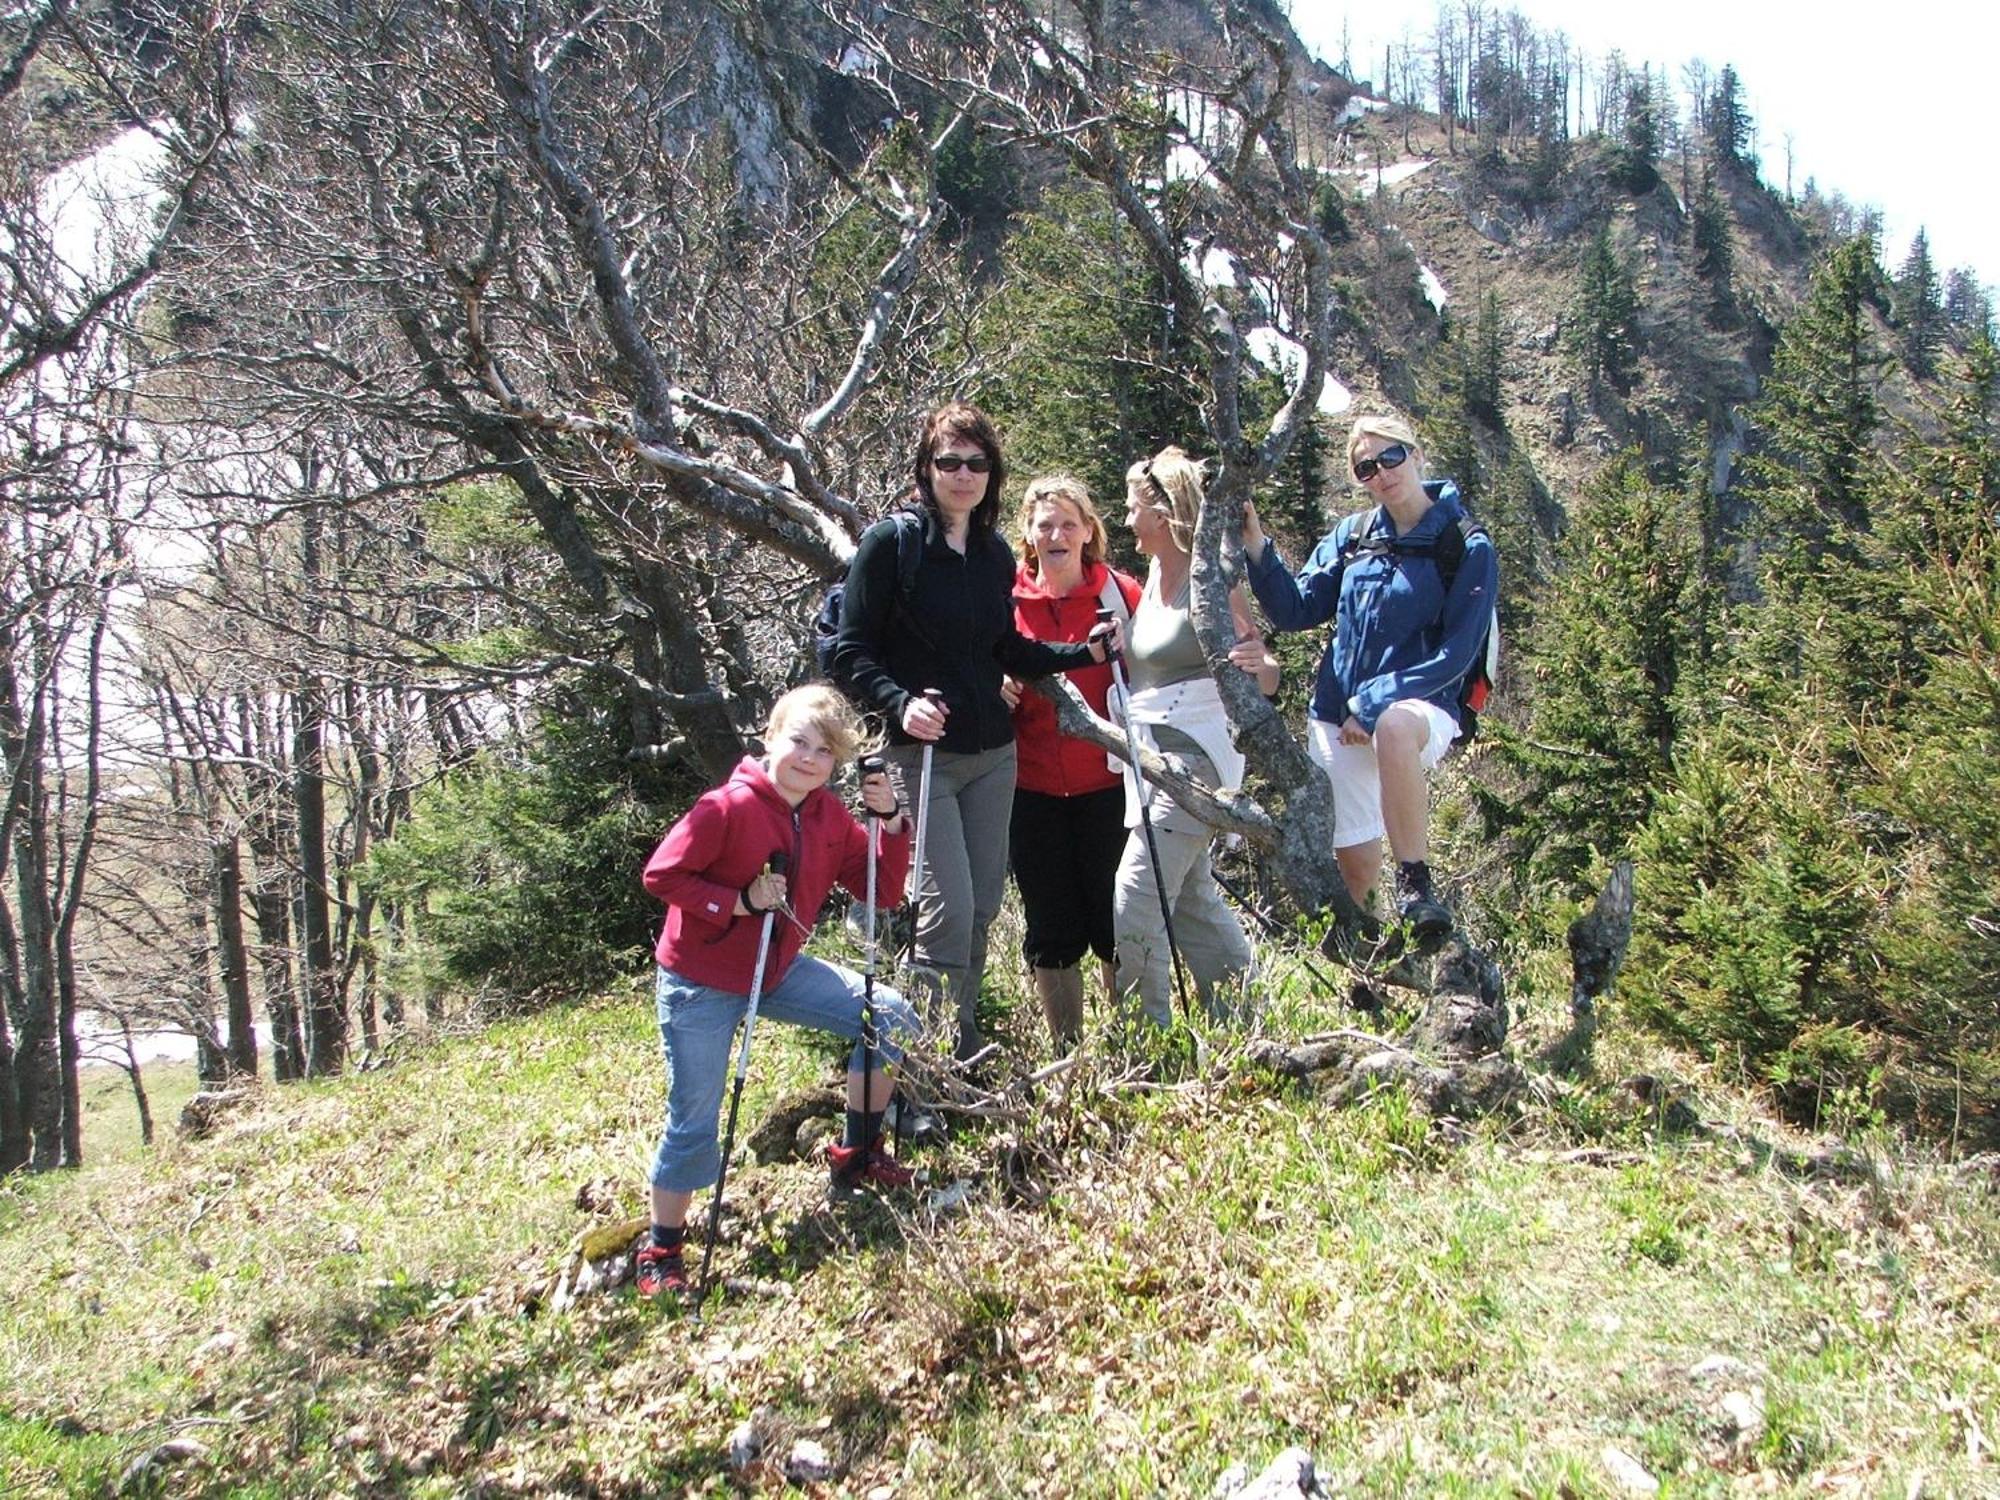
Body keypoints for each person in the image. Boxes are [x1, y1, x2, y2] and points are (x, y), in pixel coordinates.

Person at [829, 402, 1115, 1060]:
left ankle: (958, 1044)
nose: (963, 473)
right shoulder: (892, 544)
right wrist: (900, 704)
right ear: (925, 469)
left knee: (982, 906)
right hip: (919, 755)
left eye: (976, 462)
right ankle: (922, 1057)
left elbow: (1005, 649)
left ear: (992, 472)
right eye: (948, 461)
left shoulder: (989, 555)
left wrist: (1081, 654)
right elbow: (849, 651)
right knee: (947, 910)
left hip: (993, 755)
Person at [635, 686, 918, 1300]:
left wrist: (891, 821)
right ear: (771, 737)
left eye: (824, 751)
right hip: (700, 983)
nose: (809, 758)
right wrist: (734, 901)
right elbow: (661, 874)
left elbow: (883, 890)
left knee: (888, 1015)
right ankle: (662, 1249)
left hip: (776, 968)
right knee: (694, 1119)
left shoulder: (826, 816)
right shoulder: (726, 807)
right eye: (799, 742)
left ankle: (858, 1153)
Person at [1239, 414, 1498, 939]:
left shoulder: (1467, 546)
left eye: (1391, 457)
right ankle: (1373, 968)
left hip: (1423, 705)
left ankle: (1417, 885)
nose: (1381, 473)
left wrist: (1375, 703)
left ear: (1417, 454)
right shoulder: (1353, 536)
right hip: (1337, 715)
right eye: (1366, 467)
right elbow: (1296, 611)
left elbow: (1457, 653)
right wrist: (1257, 547)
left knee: (1395, 728)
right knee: (1357, 871)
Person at [1112, 446, 1278, 1027]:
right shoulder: (1152, 576)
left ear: (1162, 512)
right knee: (1191, 902)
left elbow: (1265, 669)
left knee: (1138, 891)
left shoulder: (1212, 577)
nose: (1128, 519)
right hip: (1151, 759)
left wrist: (1263, 665)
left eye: (1135, 508)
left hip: (1198, 757)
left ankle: (1147, 1048)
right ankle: (1250, 1022)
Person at [999, 475, 1143, 1048]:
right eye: (1044, 525)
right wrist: (995, 682)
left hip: (1109, 784)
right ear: (1028, 535)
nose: (1056, 535)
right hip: (1029, 789)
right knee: (1051, 925)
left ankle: (1127, 1049)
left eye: (1068, 523)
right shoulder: (1003, 600)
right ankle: (1068, 1051)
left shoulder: (1121, 595)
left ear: (1089, 530)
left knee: (1115, 921)